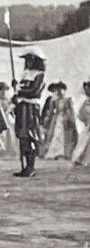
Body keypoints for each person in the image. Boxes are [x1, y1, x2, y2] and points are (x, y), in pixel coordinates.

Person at [12, 48, 46, 177]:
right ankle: (26, 166)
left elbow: (34, 91)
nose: (27, 61)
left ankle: (31, 166)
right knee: (22, 136)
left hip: (31, 108)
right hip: (22, 107)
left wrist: (19, 91)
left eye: (30, 59)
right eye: (26, 59)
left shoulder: (39, 75)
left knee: (29, 134)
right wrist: (16, 88)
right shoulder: (25, 73)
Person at [42, 81, 80, 160]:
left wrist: (72, 119)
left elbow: (71, 110)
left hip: (66, 117)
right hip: (57, 118)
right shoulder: (54, 100)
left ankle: (66, 152)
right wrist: (48, 120)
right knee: (57, 134)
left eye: (61, 90)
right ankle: (56, 152)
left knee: (67, 135)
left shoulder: (68, 99)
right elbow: (51, 112)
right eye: (57, 90)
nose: (59, 92)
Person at [71, 80, 90, 168]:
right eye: (86, 90)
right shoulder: (86, 101)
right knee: (84, 140)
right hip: (88, 123)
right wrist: (85, 120)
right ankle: (81, 159)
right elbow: (81, 112)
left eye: (88, 90)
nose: (87, 92)